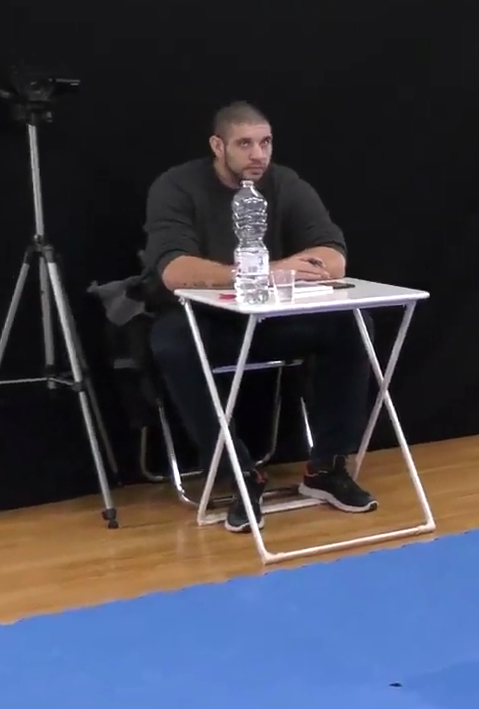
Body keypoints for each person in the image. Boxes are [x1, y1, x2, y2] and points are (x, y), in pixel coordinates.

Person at [143, 101, 379, 534]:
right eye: (245, 144)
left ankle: (326, 466)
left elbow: (333, 257)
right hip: (210, 320)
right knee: (173, 342)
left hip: (271, 318)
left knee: (351, 323)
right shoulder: (176, 187)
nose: (258, 155)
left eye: (265, 143)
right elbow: (174, 270)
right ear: (218, 146)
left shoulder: (284, 183)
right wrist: (267, 271)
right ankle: (240, 473)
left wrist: (283, 272)